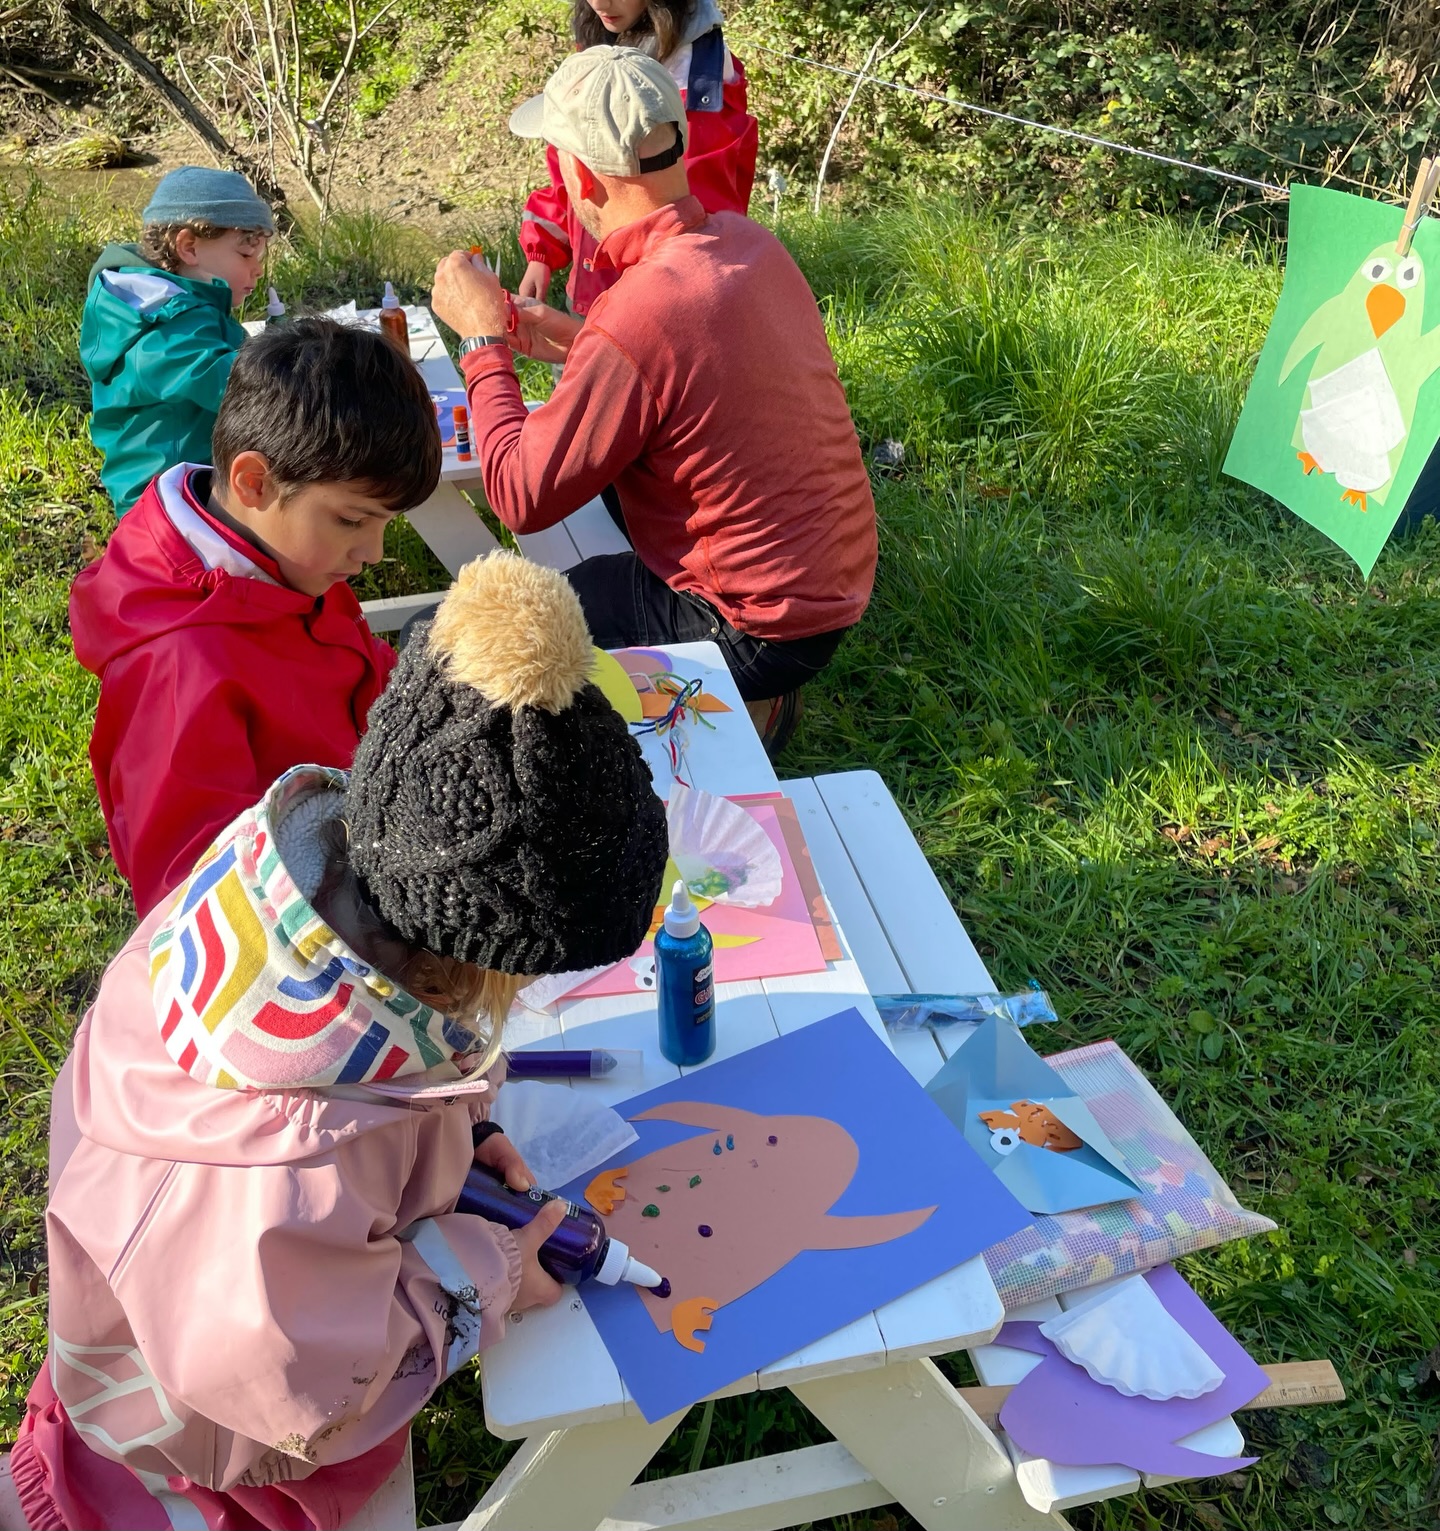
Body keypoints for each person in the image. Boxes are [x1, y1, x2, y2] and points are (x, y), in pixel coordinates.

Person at [9, 554, 670, 1531]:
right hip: (222, 1445)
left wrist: (460, 1138)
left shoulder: (283, 896)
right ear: (475, 967)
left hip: (169, 1296)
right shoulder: (305, 1157)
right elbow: (316, 1393)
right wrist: (493, 1274)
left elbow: (388, 1100)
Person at [432, 48, 877, 754]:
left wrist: (481, 341)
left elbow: (517, 493)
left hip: (756, 627)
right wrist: (582, 339)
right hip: (835, 583)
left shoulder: (639, 309)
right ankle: (752, 698)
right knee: (607, 500)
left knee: (534, 626)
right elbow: (684, 370)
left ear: (579, 175)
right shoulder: (749, 245)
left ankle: (720, 714)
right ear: (679, 140)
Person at [70, 317, 439, 919]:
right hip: (315, 934)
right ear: (253, 481)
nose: (373, 553)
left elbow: (362, 668)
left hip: (370, 825)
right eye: (353, 520)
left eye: (385, 525)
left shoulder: (289, 559)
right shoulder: (177, 670)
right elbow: (194, 900)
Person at [518, 0, 757, 316]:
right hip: (592, 292)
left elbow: (696, 221)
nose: (600, 3)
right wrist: (542, 252)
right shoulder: (602, 37)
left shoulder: (696, 78)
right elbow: (571, 166)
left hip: (655, 307)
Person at [80, 165, 274, 516]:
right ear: (188, 247)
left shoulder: (181, 306)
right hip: (166, 500)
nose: (257, 269)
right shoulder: (159, 326)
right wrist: (299, 363)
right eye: (246, 254)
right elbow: (228, 382)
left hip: (196, 477)